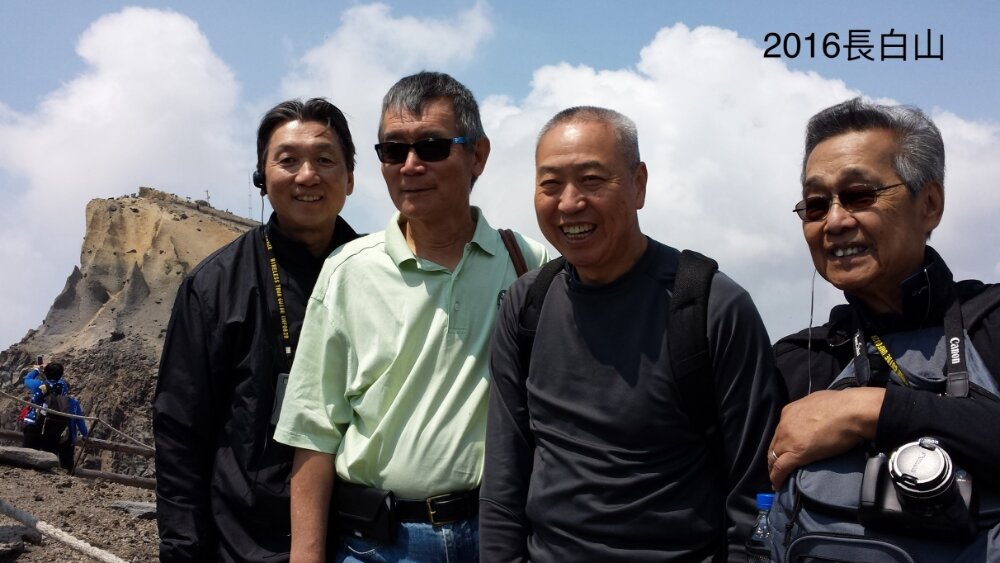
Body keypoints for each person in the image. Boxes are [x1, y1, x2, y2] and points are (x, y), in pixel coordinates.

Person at [480, 106, 783, 561]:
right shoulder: (526, 305)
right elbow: (504, 475)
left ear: (638, 184)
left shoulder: (712, 306)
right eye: (550, 184)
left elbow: (756, 490)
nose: (569, 203)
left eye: (591, 180)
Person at [273, 71, 548, 562]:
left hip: (499, 535)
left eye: (433, 147)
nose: (411, 165)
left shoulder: (529, 265)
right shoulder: (347, 272)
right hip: (380, 545)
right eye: (394, 150)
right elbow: (313, 431)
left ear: (478, 156)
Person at [767, 98, 1000, 559]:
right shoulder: (798, 361)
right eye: (816, 205)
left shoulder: (992, 322)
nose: (835, 221)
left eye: (859, 196)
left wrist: (872, 409)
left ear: (929, 204)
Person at [153, 98, 362, 562]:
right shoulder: (214, 286)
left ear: (350, 177)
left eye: (324, 160)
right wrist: (184, 551)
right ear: (261, 179)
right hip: (245, 541)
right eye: (287, 161)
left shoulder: (380, 275)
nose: (307, 176)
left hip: (362, 541)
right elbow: (180, 432)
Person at [21, 361, 88, 470]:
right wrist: (85, 434)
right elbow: (80, 420)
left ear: (46, 373)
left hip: (34, 426)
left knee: (26, 461)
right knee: (47, 466)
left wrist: (37, 370)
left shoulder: (40, 386)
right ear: (61, 375)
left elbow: (27, 379)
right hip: (55, 431)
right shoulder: (68, 396)